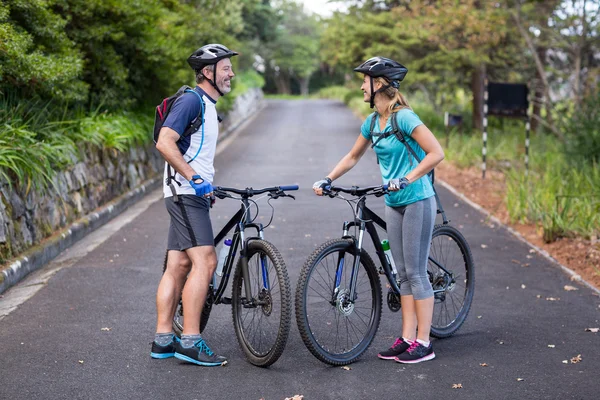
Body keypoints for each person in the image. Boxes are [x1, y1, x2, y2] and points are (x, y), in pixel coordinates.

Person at [312, 56, 444, 364]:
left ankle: (425, 342)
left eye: (364, 81)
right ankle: (408, 337)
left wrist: (407, 178)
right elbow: (353, 156)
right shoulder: (372, 122)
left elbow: (436, 153)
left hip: (417, 198)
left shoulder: (405, 118)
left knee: (415, 271)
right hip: (393, 202)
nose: (361, 86)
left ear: (380, 83)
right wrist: (329, 178)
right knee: (401, 275)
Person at [151, 43, 237, 366]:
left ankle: (163, 339)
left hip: (187, 192)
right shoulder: (192, 100)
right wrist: (194, 178)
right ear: (207, 72)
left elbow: (196, 151)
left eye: (230, 68)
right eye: (225, 68)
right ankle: (190, 339)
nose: (231, 73)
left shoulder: (210, 107)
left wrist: (204, 181)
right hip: (185, 192)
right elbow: (165, 142)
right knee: (206, 261)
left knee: (179, 265)